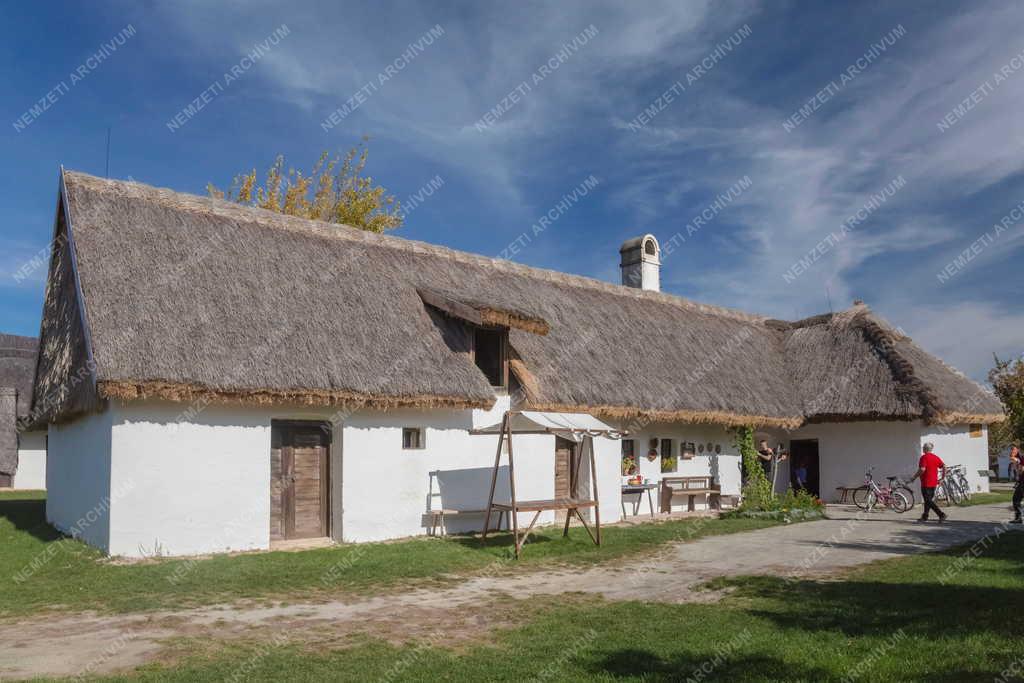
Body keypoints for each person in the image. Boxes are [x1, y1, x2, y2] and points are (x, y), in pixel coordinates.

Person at [909, 442, 946, 522]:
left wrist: (914, 477)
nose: (922, 449)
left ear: (925, 449)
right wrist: (943, 478)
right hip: (934, 483)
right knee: (928, 500)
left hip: (926, 483)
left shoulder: (924, 457)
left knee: (928, 500)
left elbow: (922, 469)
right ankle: (925, 516)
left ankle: (941, 514)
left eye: (923, 448)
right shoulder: (936, 457)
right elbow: (944, 466)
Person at [1010, 445, 1022, 524]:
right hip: (1021, 482)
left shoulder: (1019, 458)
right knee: (1016, 499)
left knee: (1016, 499)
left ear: (1018, 450)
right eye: (1011, 450)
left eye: (1013, 449)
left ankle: (1018, 518)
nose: (1012, 451)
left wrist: (1014, 459)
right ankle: (1018, 518)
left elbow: (1019, 465)